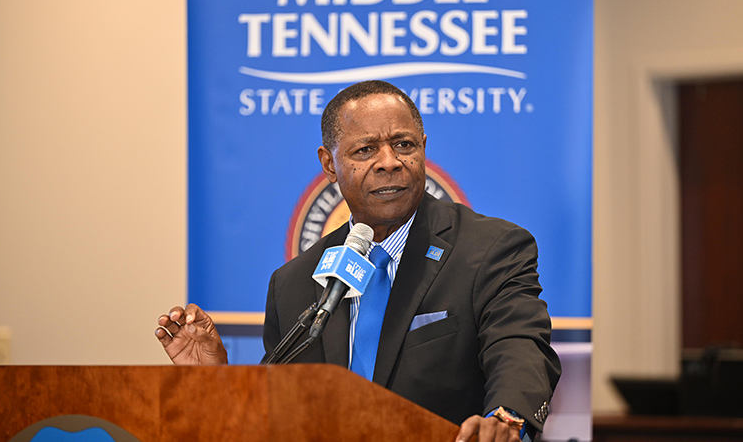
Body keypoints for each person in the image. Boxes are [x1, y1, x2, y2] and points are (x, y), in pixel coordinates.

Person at [156, 80, 561, 442]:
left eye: (404, 144)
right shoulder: (295, 282)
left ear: (423, 148)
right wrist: (214, 381)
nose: (389, 161)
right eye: (366, 150)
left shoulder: (490, 248)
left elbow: (519, 346)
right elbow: (274, 416)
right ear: (330, 165)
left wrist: (508, 418)